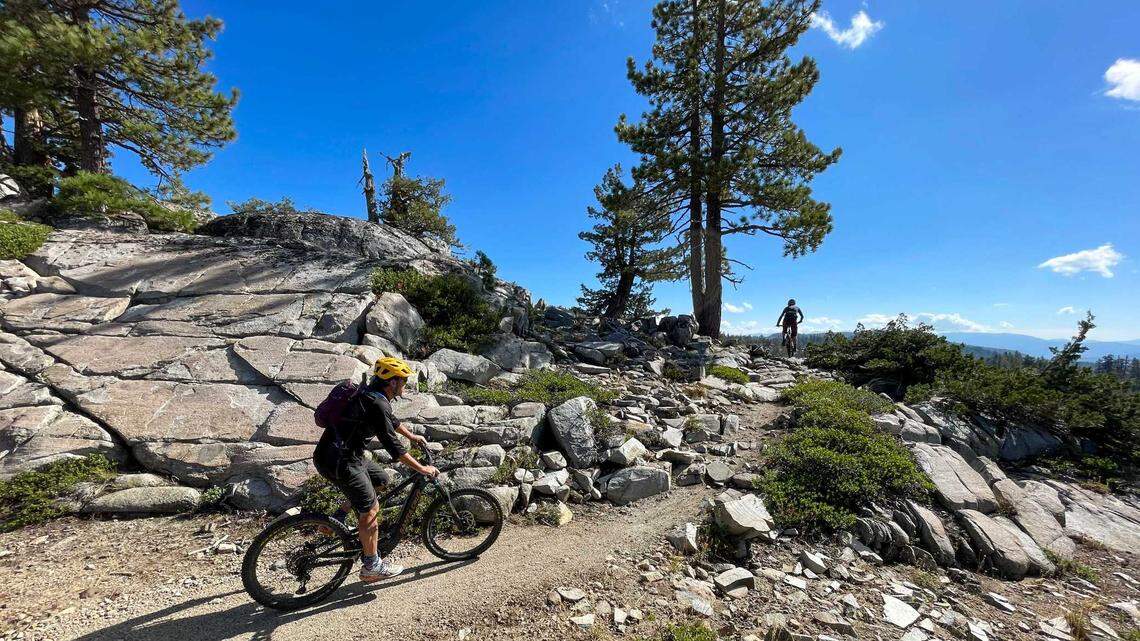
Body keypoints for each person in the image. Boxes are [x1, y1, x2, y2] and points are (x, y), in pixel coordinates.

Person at [311, 356, 440, 582]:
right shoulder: (377, 402)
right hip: (341, 462)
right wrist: (422, 469)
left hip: (339, 455)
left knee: (380, 480)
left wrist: (413, 436)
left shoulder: (370, 393)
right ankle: (371, 565)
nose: (405, 385)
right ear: (392, 382)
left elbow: (390, 419)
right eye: (403, 380)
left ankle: (338, 518)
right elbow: (395, 449)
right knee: (371, 510)